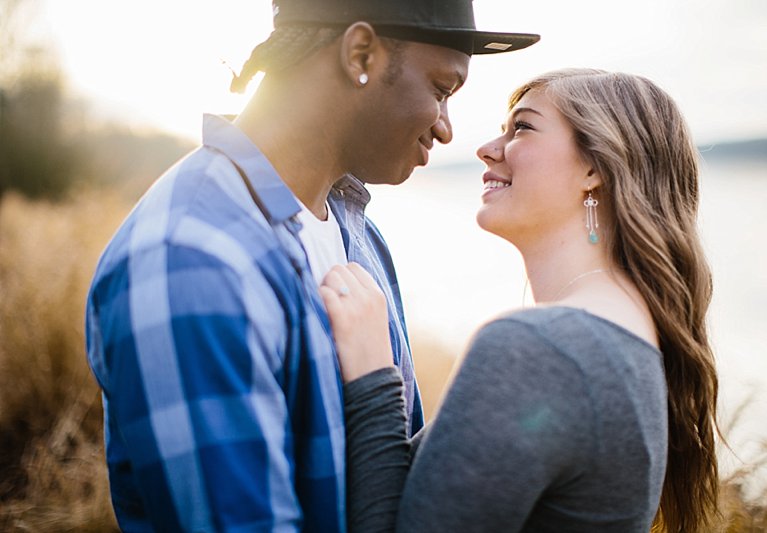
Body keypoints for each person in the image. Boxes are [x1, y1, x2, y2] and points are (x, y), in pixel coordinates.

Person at [84, 0, 539, 531]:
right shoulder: (192, 260)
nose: (445, 130)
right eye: (441, 91)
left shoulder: (358, 232)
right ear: (360, 52)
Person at [322, 68, 720, 532]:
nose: (487, 148)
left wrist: (373, 374)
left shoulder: (543, 349)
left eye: (522, 127)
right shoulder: (630, 336)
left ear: (595, 168)